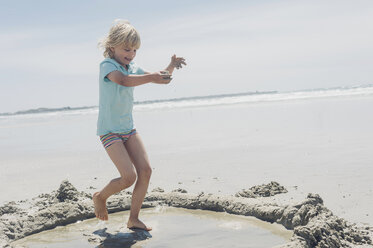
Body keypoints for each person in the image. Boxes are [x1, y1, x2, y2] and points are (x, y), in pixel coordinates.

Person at [93, 19, 186, 231]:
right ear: (112, 46)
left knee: (145, 171)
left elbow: (159, 78)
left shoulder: (133, 67)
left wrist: (169, 68)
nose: (131, 54)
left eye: (135, 50)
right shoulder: (108, 66)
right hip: (109, 131)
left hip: (129, 129)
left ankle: (133, 218)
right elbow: (124, 80)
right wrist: (151, 77)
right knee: (128, 177)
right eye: (127, 48)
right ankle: (100, 196)